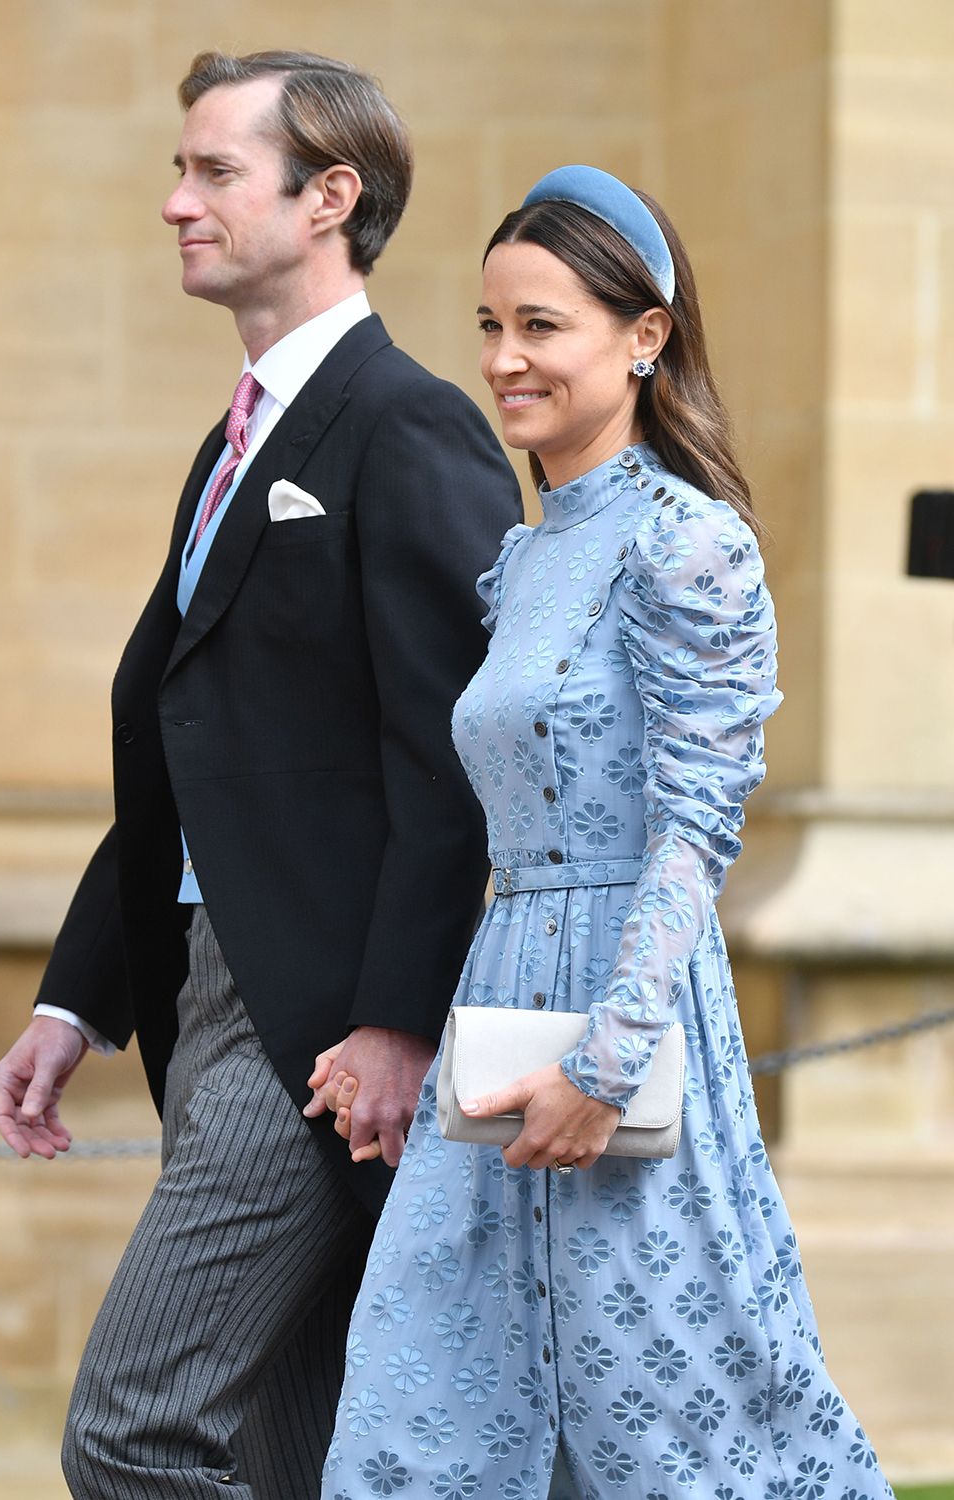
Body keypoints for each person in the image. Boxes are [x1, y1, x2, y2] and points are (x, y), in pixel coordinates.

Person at [0, 49, 521, 1500]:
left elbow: (454, 757)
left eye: (214, 171)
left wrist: (398, 1022)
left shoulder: (408, 423)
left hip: (318, 1029)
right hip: (205, 990)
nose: (175, 202)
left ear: (329, 197)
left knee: (135, 1431)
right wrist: (75, 993)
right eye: (182, 168)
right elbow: (188, 753)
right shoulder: (231, 447)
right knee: (298, 1455)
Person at [320, 168, 894, 1500]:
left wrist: (611, 1055)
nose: (504, 359)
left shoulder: (690, 542)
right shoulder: (524, 560)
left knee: (676, 1420)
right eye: (490, 324)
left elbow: (698, 823)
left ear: (645, 339)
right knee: (433, 1404)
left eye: (543, 326)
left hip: (623, 1015)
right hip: (502, 997)